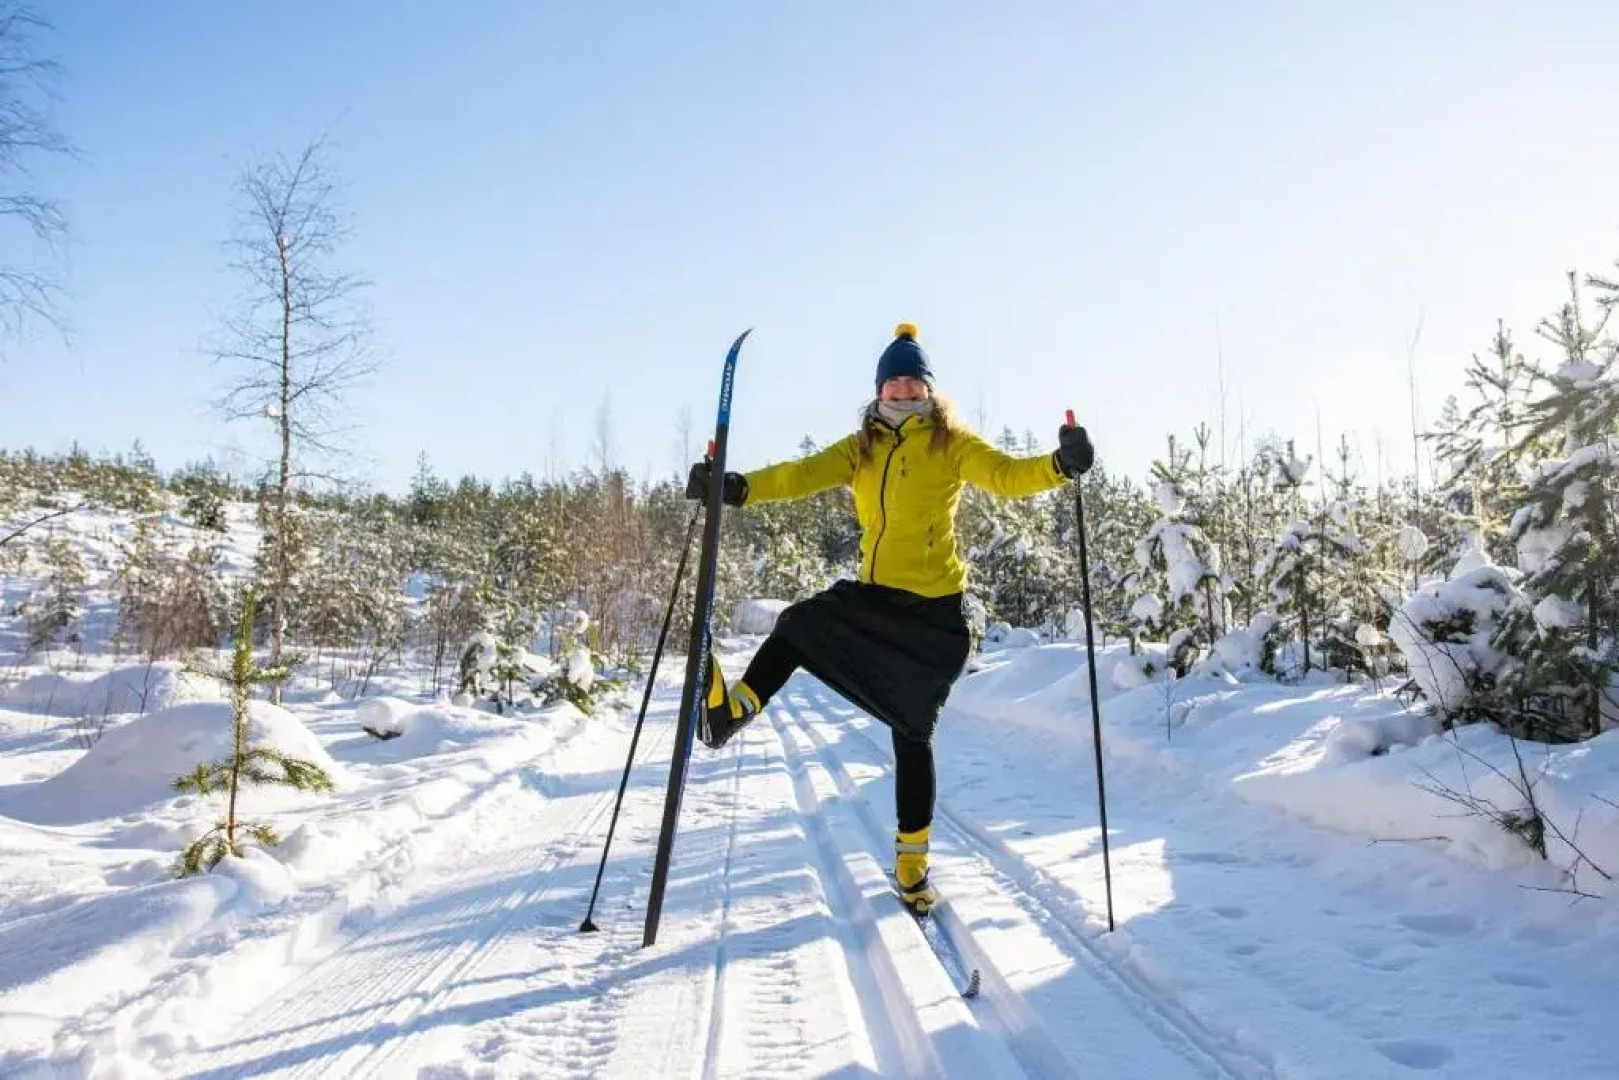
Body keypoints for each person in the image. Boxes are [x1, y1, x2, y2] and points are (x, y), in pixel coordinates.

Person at [685, 322, 1093, 913]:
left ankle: (911, 864)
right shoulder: (862, 447)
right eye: (893, 381)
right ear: (879, 389)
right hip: (876, 599)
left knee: (912, 732)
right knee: (798, 623)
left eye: (913, 381)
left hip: (934, 616)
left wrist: (1059, 464)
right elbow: (799, 475)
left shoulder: (950, 443)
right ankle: (731, 712)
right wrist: (737, 487)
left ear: (927, 388)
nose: (903, 390)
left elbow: (1007, 475)